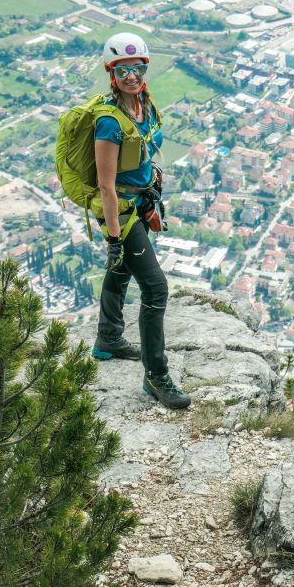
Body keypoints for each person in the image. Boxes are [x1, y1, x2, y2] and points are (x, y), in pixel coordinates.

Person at [91, 32, 191, 410]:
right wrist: (114, 238)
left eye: (138, 68)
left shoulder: (142, 105)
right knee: (155, 288)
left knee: (121, 272)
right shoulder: (109, 123)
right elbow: (105, 186)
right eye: (123, 70)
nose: (131, 75)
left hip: (140, 202)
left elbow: (145, 150)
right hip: (121, 210)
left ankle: (108, 338)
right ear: (111, 72)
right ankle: (156, 375)